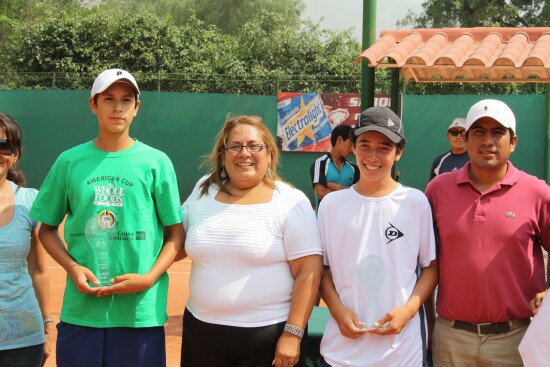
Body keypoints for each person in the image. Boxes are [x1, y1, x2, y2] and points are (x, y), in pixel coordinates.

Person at [29, 69, 185, 367]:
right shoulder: (69, 161)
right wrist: (73, 267)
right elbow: (46, 229)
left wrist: (148, 278)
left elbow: (175, 234)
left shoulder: (156, 162)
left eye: (126, 100)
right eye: (109, 99)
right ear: (93, 105)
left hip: (140, 314)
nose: (117, 107)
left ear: (136, 107)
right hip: (81, 313)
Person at [180, 115, 323, 367]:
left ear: (269, 154)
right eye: (234, 146)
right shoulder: (204, 189)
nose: (244, 153)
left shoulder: (291, 201)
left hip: (267, 343)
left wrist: (292, 334)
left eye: (254, 145)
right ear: (222, 155)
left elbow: (309, 272)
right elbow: (176, 242)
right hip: (200, 338)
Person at [425, 99, 550, 366]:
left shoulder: (537, 192)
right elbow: (423, 261)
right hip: (451, 337)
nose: (488, 141)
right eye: (479, 132)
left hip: (517, 338)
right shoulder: (438, 190)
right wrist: (428, 325)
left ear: (513, 141)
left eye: (497, 132)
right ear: (465, 139)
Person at [318, 106, 438, 366]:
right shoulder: (331, 205)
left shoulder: (415, 202)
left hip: (402, 354)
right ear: (353, 148)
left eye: (384, 147)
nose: (373, 156)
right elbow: (321, 270)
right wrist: (338, 313)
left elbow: (431, 268)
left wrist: (407, 311)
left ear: (399, 153)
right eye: (365, 145)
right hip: (341, 354)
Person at [0, 112, 53, 367]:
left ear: (15, 154)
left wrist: (46, 324)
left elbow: (39, 270)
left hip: (23, 340)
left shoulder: (30, 200)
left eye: (4, 146)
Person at [310, 124, 359, 213]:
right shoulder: (320, 163)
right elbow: (320, 193)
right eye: (351, 144)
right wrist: (347, 190)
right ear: (339, 140)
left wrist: (335, 186)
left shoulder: (354, 168)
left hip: (347, 222)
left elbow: (357, 195)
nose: (352, 149)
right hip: (323, 223)